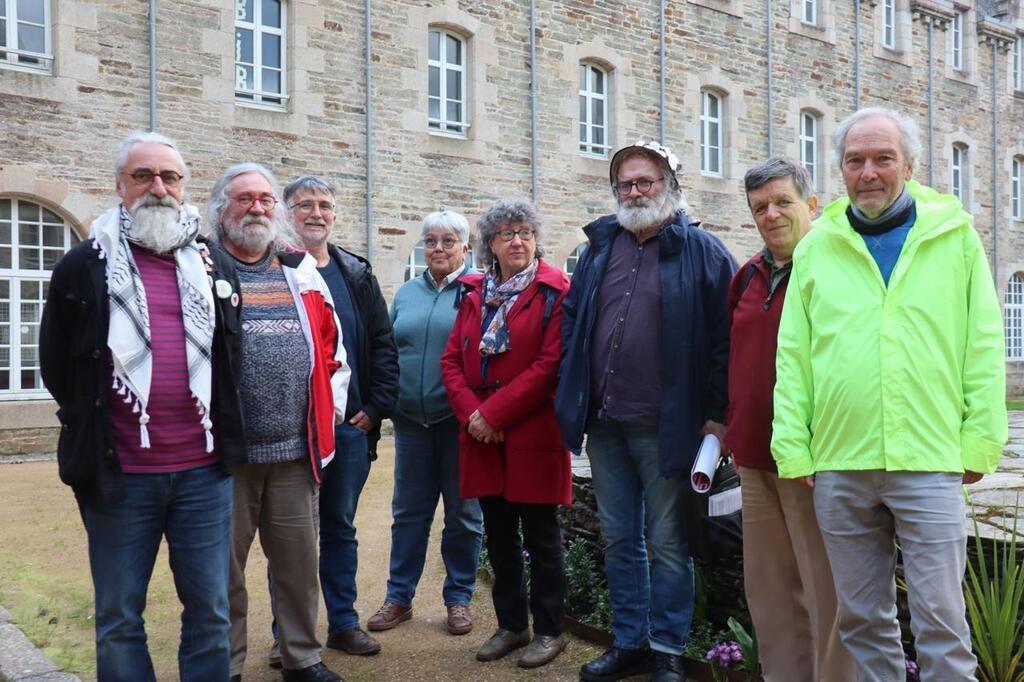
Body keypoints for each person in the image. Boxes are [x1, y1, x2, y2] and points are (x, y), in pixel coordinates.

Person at [772, 107, 1008, 680]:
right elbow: (794, 355)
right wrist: (794, 447)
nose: (869, 172)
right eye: (855, 161)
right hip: (840, 461)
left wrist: (980, 440)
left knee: (942, 622)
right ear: (841, 171)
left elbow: (982, 341)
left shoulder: (953, 236)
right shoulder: (818, 246)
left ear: (910, 164)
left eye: (883, 158)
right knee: (861, 620)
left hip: (928, 459)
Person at [39, 131, 244, 681]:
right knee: (118, 616)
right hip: (120, 474)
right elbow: (58, 366)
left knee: (210, 613)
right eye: (143, 176)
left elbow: (230, 359)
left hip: (204, 475)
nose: (159, 187)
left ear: (184, 186)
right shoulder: (85, 265)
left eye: (170, 177)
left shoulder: (212, 265)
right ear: (120, 186)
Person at [556, 141, 735, 682]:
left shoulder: (704, 251)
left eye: (645, 182)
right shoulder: (598, 249)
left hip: (668, 427)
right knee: (617, 539)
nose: (634, 192)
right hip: (606, 424)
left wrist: (716, 415)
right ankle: (629, 641)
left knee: (668, 543)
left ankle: (667, 649)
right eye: (625, 184)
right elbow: (572, 319)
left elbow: (726, 341)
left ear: (669, 187)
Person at [207, 163, 348, 682]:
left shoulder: (300, 269)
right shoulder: (200, 267)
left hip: (295, 452)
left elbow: (332, 349)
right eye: (245, 199)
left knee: (297, 567)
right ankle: (224, 664)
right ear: (222, 207)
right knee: (223, 573)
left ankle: (302, 657)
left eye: (266, 199)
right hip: (225, 456)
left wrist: (329, 410)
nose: (258, 208)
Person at [726, 158, 854, 682]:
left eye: (783, 202)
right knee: (771, 591)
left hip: (813, 459)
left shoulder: (834, 269)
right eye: (760, 207)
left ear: (812, 204)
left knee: (827, 593)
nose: (771, 214)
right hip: (755, 458)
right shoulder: (749, 275)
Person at [440, 199, 571, 669]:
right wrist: (474, 415)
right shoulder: (475, 293)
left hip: (532, 434)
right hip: (483, 439)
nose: (518, 241)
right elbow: (452, 360)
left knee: (542, 539)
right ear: (490, 245)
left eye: (525, 233)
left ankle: (551, 629)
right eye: (507, 233)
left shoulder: (556, 291)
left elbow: (549, 365)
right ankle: (512, 626)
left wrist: (494, 413)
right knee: (498, 537)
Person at [276, 175, 399, 658]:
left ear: (335, 214)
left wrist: (373, 410)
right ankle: (286, 632)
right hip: (292, 431)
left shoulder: (355, 274)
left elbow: (383, 347)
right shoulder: (274, 268)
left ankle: (343, 624)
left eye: (324, 205)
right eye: (304, 205)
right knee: (291, 535)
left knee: (340, 527)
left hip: (349, 429)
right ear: (288, 213)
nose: (315, 213)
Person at [368, 210, 484, 636]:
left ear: (466, 249)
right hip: (412, 423)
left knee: (463, 515)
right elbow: (388, 350)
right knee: (409, 514)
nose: (438, 249)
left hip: (460, 426)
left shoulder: (479, 292)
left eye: (448, 241)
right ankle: (400, 598)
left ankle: (458, 599)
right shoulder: (407, 294)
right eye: (431, 241)